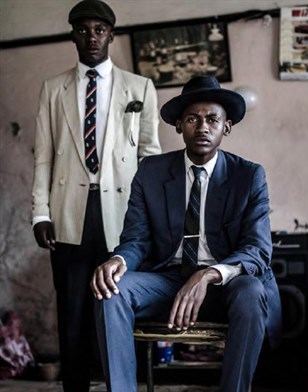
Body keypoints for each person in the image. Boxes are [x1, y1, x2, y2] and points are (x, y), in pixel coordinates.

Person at [91, 75, 282, 392]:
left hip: (226, 288)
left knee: (251, 291)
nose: (203, 127)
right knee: (112, 288)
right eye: (193, 118)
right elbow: (137, 239)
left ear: (227, 126)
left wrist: (207, 275)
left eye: (212, 119)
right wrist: (119, 260)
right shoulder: (151, 172)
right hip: (167, 281)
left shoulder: (248, 176)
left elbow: (257, 251)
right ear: (179, 125)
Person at [31, 0, 161, 391]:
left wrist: (151, 218)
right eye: (83, 30)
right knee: (72, 313)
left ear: (111, 35)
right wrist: (40, 213)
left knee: (124, 306)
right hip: (68, 214)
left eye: (99, 30)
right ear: (73, 35)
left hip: (125, 217)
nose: (92, 37)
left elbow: (150, 159)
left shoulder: (140, 88)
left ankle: (125, 386)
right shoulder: (53, 89)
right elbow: (42, 155)